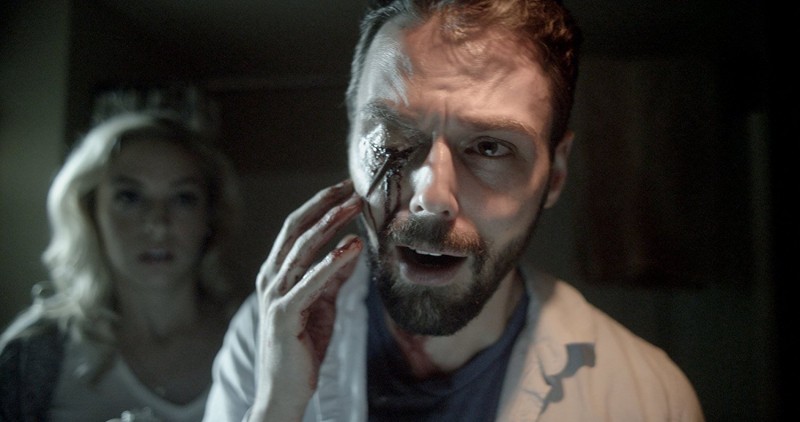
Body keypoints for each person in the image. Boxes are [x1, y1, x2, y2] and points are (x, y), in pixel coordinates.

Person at [203, 0, 706, 420]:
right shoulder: (268, 337)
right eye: (392, 138)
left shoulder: (651, 399)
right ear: (350, 143)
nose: (434, 196)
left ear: (554, 175)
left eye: (489, 148)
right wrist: (275, 409)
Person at [0, 111, 245, 422]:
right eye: (130, 197)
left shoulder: (257, 333)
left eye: (183, 198)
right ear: (89, 212)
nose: (158, 224)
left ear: (209, 215)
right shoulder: (33, 351)